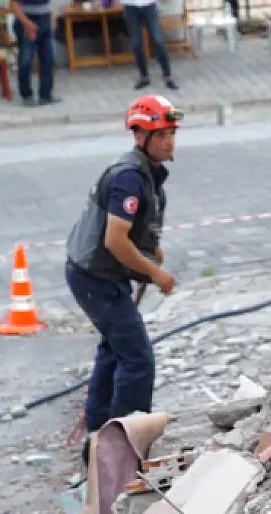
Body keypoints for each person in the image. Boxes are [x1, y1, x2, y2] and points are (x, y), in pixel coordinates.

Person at [65, 94, 180, 464]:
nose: (169, 141)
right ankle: (124, 445)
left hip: (96, 273)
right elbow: (114, 239)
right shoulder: (129, 177)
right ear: (140, 135)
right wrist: (155, 273)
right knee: (138, 359)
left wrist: (150, 250)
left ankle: (99, 428)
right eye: (160, 134)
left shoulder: (143, 171)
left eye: (170, 133)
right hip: (96, 278)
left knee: (114, 349)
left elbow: (132, 231)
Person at [8, 0, 60, 106]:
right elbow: (14, 3)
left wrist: (52, 16)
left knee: (49, 58)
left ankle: (46, 95)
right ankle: (26, 95)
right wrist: (27, 23)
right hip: (26, 20)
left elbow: (49, 4)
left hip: (45, 20)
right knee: (25, 60)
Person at [122, 0, 178, 91]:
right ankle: (144, 77)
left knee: (158, 40)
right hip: (130, 6)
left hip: (149, 4)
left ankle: (167, 76)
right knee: (136, 43)